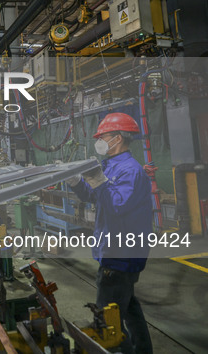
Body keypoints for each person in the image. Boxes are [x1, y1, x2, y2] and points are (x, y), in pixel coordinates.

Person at [66, 112, 153, 354]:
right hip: (116, 251)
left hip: (121, 255)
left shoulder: (130, 171)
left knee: (108, 319)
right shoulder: (112, 165)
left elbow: (116, 206)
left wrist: (97, 179)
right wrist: (75, 181)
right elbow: (94, 196)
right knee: (128, 308)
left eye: (103, 136)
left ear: (118, 138)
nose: (100, 140)